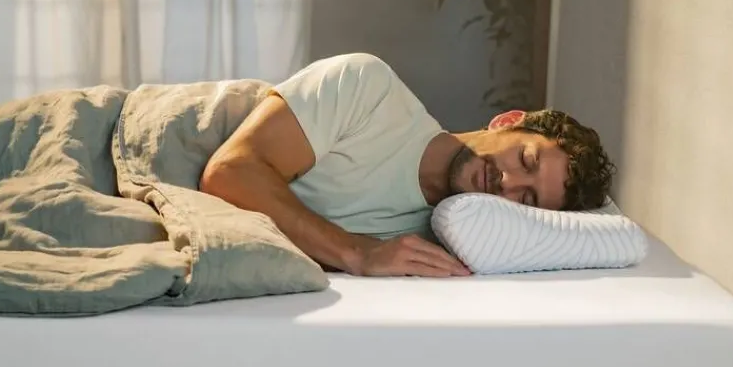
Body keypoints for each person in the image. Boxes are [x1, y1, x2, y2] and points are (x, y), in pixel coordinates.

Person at [200, 52, 615, 279]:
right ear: (507, 122)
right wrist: (356, 252)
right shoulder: (370, 90)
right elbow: (229, 172)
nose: (508, 183)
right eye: (525, 159)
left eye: (527, 199)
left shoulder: (437, 247)